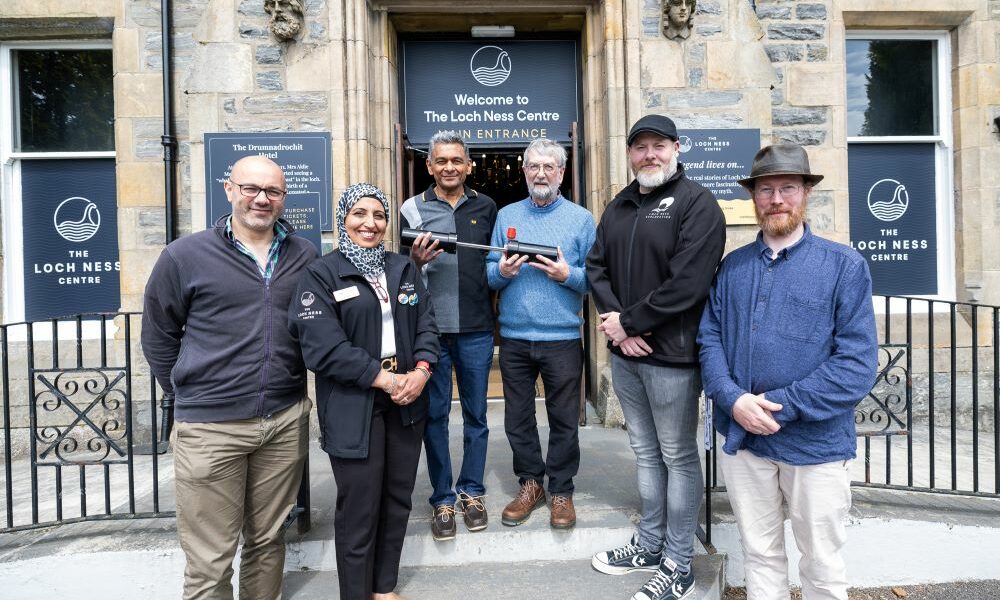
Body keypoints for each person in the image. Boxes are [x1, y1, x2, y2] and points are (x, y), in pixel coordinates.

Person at [698, 144, 878, 600]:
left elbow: (856, 365)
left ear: (805, 195)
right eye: (766, 189)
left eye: (788, 188)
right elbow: (710, 339)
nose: (776, 199)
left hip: (815, 444)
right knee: (760, 555)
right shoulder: (732, 268)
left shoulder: (844, 267)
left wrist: (781, 408)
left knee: (820, 563)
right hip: (745, 441)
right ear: (754, 197)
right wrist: (734, 400)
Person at [141, 155, 317, 599]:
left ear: (283, 197)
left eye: (273, 191)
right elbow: (159, 335)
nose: (262, 199)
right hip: (210, 428)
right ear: (229, 190)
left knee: (267, 542)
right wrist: (190, 391)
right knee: (210, 563)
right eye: (251, 188)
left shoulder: (304, 254)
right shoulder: (185, 255)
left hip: (282, 420)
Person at [586, 114, 726, 600]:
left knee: (678, 457)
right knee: (645, 453)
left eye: (658, 145)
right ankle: (649, 546)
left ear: (677, 148)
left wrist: (631, 322)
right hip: (626, 354)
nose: (649, 154)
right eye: (640, 147)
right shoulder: (619, 205)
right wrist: (616, 325)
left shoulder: (697, 204)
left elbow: (688, 283)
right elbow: (594, 267)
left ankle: (679, 564)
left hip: (672, 358)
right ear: (630, 154)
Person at [289, 183, 438, 600]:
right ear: (343, 220)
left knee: (397, 499)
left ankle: (384, 588)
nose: (370, 223)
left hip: (407, 400)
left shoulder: (402, 269)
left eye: (378, 215)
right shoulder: (321, 274)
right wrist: (385, 379)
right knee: (359, 507)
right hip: (355, 404)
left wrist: (422, 372)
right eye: (359, 214)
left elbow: (426, 323)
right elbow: (323, 348)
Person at [486, 138, 596, 530]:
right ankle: (531, 484)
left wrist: (569, 276)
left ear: (562, 172)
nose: (541, 173)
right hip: (515, 337)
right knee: (517, 418)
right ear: (525, 171)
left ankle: (561, 490)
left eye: (550, 166)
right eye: (534, 166)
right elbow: (489, 272)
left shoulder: (582, 219)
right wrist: (504, 271)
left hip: (563, 338)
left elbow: (595, 280)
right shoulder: (506, 215)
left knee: (564, 419)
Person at [400, 130, 497, 541]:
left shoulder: (488, 206)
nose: (449, 167)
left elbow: (495, 264)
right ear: (429, 166)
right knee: (435, 418)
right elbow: (400, 274)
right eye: (441, 161)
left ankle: (471, 492)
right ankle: (442, 498)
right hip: (430, 331)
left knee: (477, 416)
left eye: (457, 160)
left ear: (469, 165)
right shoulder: (411, 209)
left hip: (476, 328)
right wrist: (415, 260)